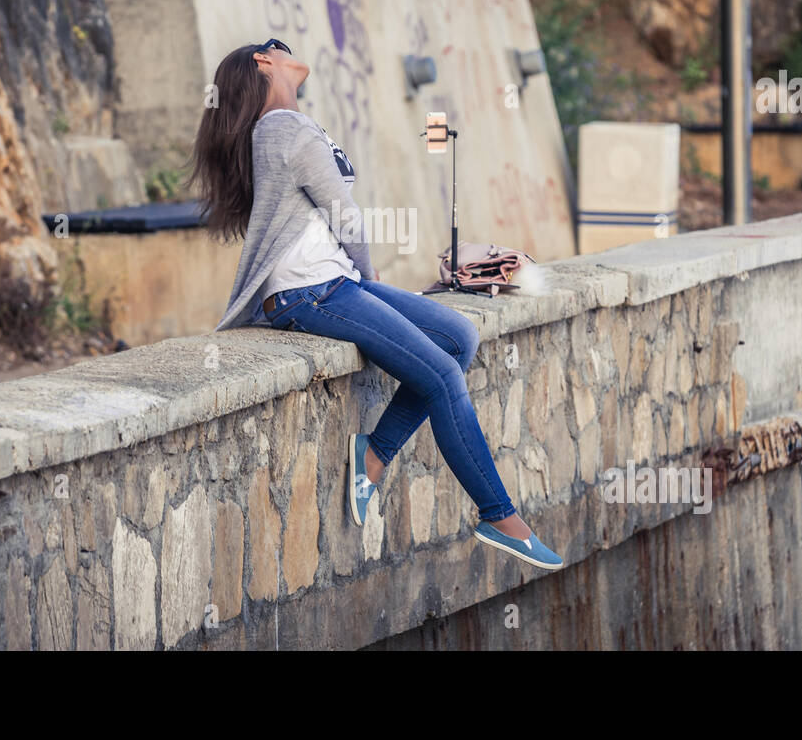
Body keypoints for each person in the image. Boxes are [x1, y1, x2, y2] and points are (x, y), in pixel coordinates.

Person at [185, 38, 562, 570]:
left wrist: (360, 277)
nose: (292, 50)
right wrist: (365, 270)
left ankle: (373, 455)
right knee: (441, 375)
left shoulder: (285, 127)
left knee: (459, 337)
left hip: (333, 282)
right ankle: (500, 517)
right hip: (309, 291)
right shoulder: (282, 127)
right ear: (263, 61)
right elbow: (343, 214)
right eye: (280, 46)